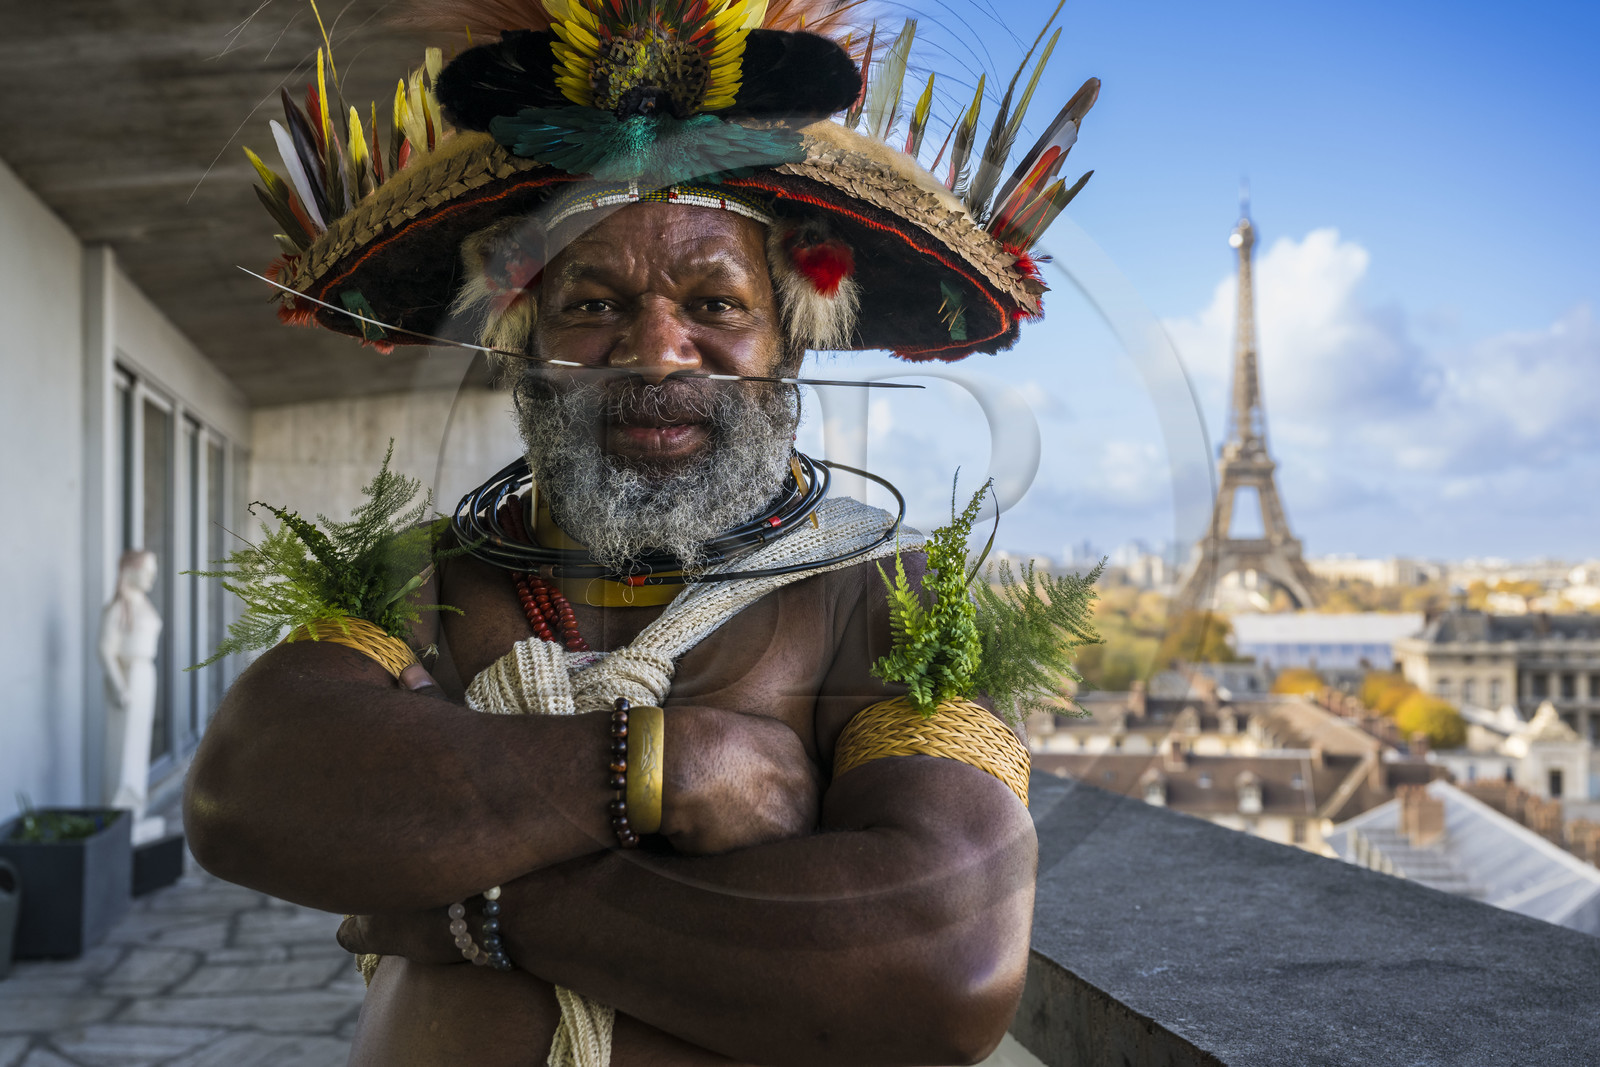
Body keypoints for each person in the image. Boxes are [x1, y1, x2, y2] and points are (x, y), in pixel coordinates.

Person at [186, 2, 1097, 1063]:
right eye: (593, 303)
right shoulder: (429, 577)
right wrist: (662, 763)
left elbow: (942, 962)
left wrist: (477, 912)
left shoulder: (873, 592)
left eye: (714, 304)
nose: (658, 352)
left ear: (786, 348)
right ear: (520, 346)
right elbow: (249, 788)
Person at [100, 549, 167, 844]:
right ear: (131, 570)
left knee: (138, 745)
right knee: (123, 747)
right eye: (147, 569)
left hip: (144, 673)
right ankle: (120, 812)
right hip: (128, 676)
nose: (152, 576)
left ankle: (136, 811)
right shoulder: (119, 607)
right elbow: (104, 649)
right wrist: (119, 686)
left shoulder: (142, 604)